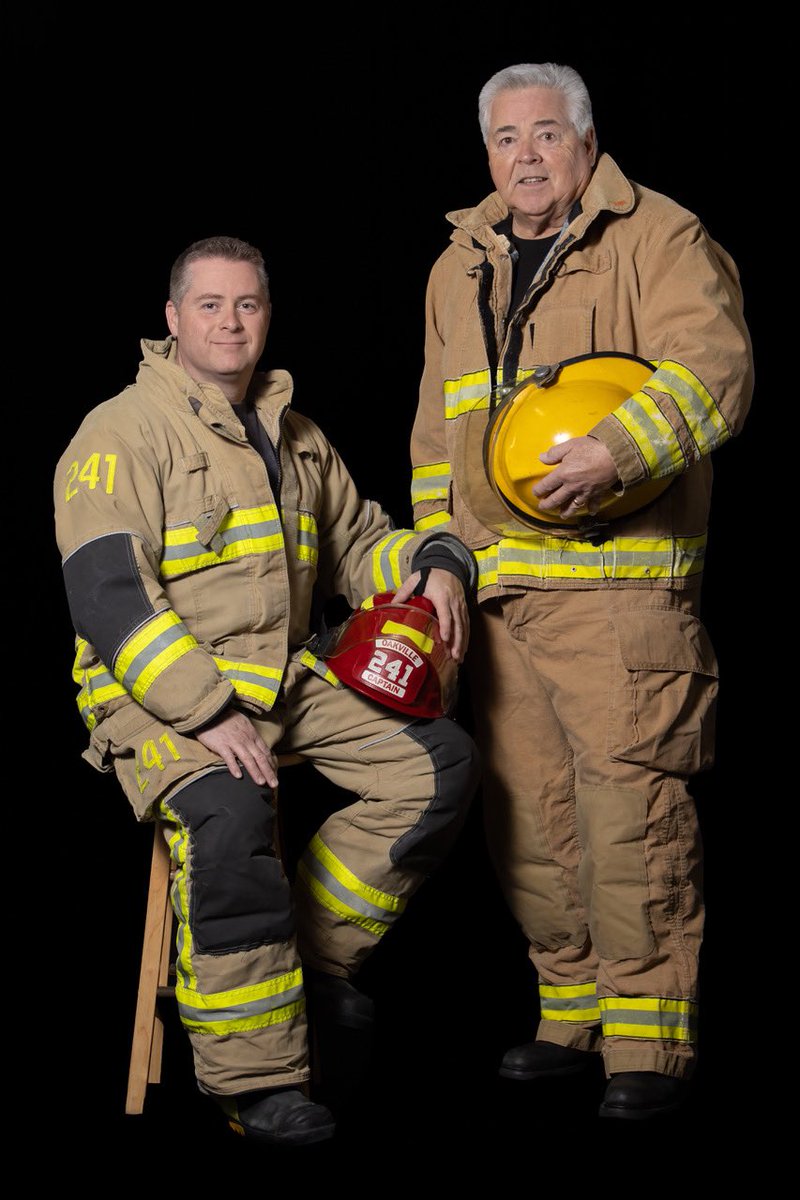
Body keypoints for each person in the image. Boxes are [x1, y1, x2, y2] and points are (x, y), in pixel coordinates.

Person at [54, 236, 480, 1147]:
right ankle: (259, 1084)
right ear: (172, 320)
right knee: (231, 814)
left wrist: (438, 562)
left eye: (246, 304)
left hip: (277, 682)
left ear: (268, 316)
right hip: (156, 693)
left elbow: (361, 543)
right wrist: (207, 711)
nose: (229, 322)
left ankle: (312, 963)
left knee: (438, 765)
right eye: (209, 305)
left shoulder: (294, 432)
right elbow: (108, 598)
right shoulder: (120, 433)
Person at [410, 62, 753, 1119]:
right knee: (527, 821)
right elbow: (436, 438)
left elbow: (715, 369)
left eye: (545, 135)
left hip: (618, 592)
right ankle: (571, 1010)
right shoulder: (453, 267)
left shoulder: (658, 236)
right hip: (498, 601)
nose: (525, 157)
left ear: (586, 140)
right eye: (506, 140)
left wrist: (616, 451)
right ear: (486, 156)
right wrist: (437, 560)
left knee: (627, 813)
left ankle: (647, 1041)